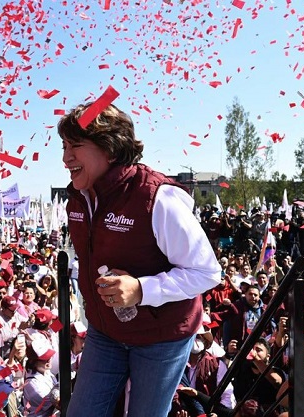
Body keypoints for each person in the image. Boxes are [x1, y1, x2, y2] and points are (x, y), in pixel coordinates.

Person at [60, 102, 221, 416]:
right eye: (64, 146)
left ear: (109, 147)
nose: (66, 158)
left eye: (75, 146)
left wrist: (141, 289)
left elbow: (206, 272)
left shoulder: (158, 198)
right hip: (105, 331)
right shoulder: (78, 199)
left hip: (162, 338)